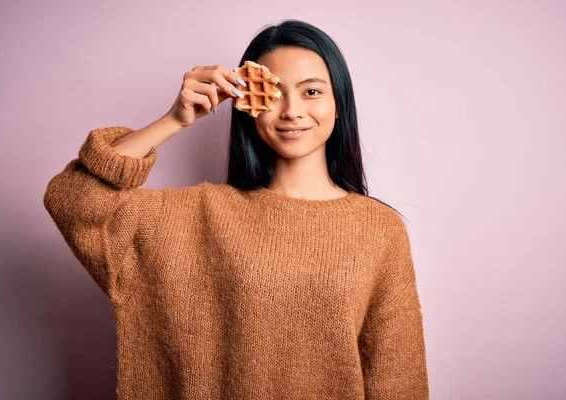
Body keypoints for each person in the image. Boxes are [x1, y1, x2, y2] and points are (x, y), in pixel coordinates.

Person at [43, 19, 429, 399]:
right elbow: (73, 199)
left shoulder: (380, 229)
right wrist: (173, 120)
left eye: (311, 92)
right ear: (250, 104)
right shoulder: (197, 216)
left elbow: (398, 380)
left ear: (339, 103)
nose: (292, 110)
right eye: (274, 93)